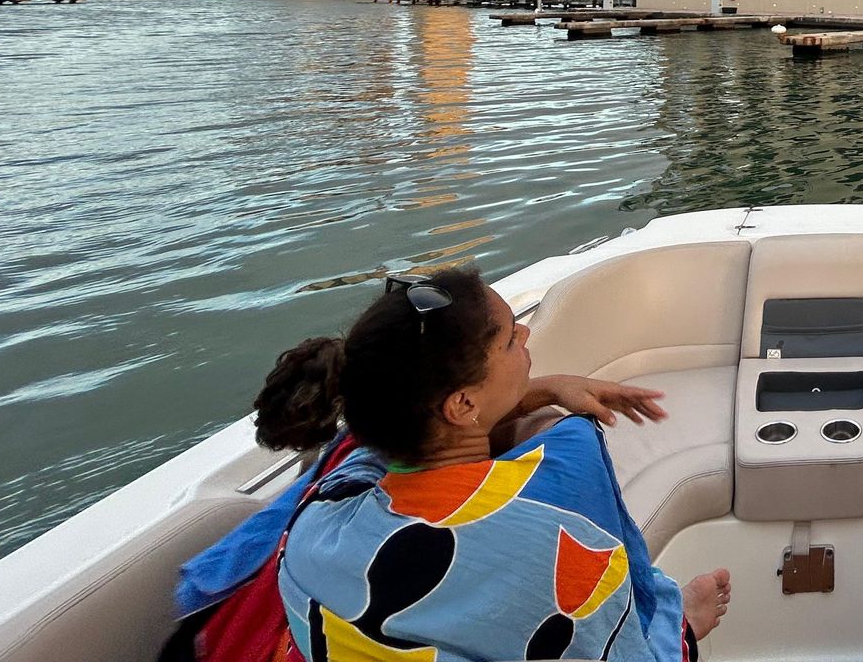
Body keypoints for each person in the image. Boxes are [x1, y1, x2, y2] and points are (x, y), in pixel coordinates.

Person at [248, 267, 731, 661]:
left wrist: (541, 388)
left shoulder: (323, 513)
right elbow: (607, 647)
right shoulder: (545, 520)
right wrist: (679, 631)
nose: (524, 331)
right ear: (460, 406)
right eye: (507, 341)